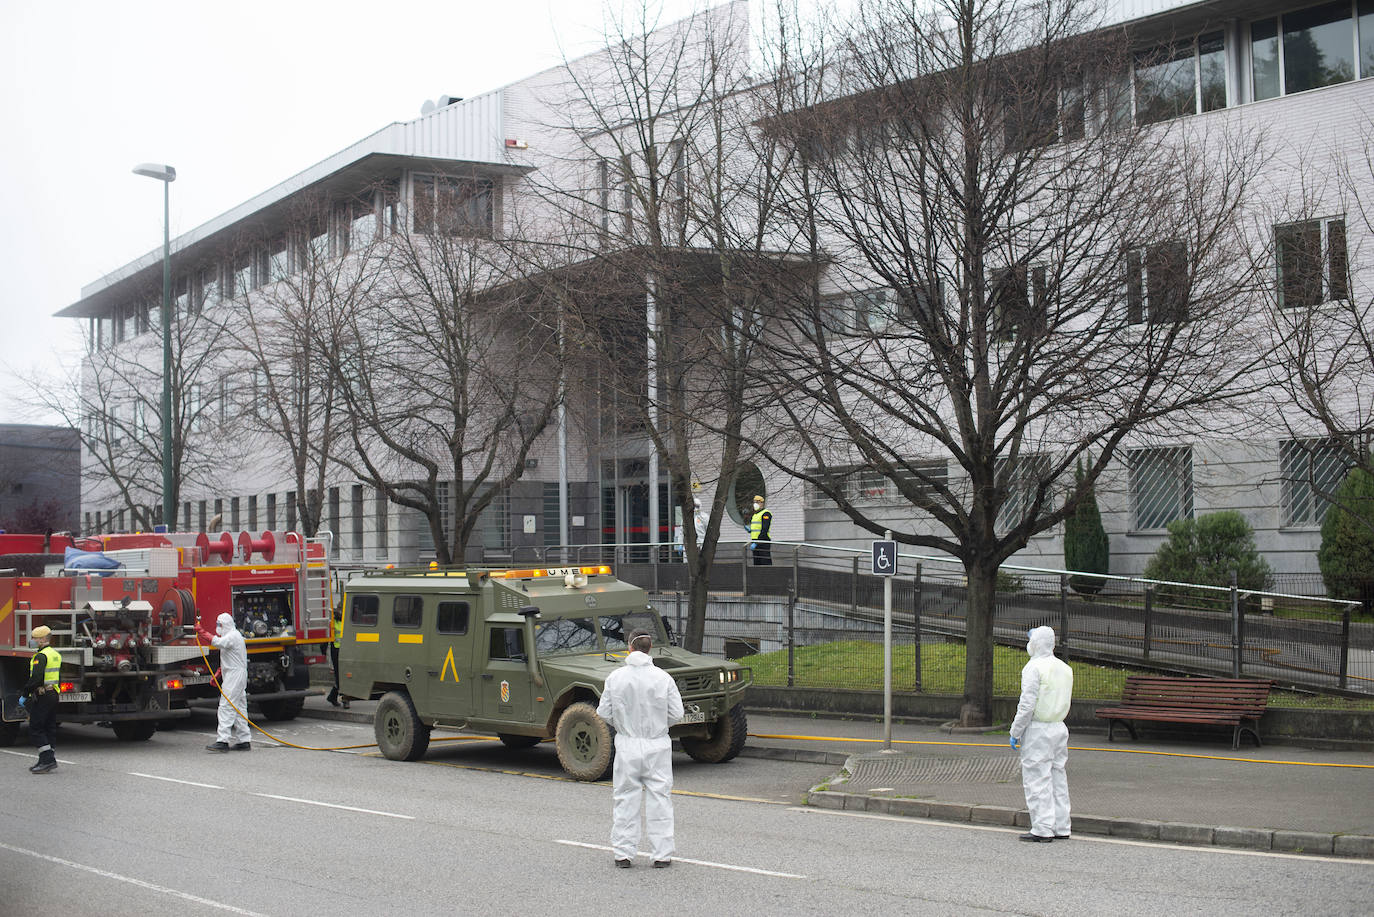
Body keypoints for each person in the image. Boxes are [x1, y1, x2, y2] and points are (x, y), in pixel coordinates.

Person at [596, 629, 684, 868]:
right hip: (657, 743)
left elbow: (603, 712)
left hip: (627, 743)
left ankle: (623, 853)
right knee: (660, 797)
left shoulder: (615, 678)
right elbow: (677, 713)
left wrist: (624, 725)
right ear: (650, 647)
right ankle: (662, 854)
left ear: (630, 647)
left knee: (625, 798)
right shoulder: (663, 678)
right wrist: (658, 727)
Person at [1009, 625, 1073, 842]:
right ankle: (1062, 825)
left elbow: (1026, 705)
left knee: (1037, 778)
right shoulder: (1064, 668)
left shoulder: (1033, 668)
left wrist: (1016, 732)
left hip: (1038, 729)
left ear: (1035, 643)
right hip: (1059, 727)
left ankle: (1042, 828)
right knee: (1057, 777)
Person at [197, 613, 251, 752]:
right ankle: (244, 740)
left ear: (224, 624)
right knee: (239, 708)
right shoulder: (232, 636)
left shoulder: (232, 636)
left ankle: (222, 741)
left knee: (226, 707)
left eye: (218, 624)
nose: (217, 627)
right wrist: (219, 674)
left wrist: (201, 631)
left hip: (234, 675)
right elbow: (230, 658)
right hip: (234, 674)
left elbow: (217, 643)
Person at [22, 625, 62, 774]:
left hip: (43, 694)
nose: (32, 641)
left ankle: (47, 760)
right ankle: (45, 758)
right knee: (49, 727)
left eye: (35, 638)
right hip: (53, 694)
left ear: (43, 639)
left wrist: (25, 693)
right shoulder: (54, 654)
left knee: (36, 727)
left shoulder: (41, 656)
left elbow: (37, 678)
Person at [326, 603, 349, 708]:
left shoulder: (346, 620)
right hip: (336, 651)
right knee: (341, 678)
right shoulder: (333, 622)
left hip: (344, 651)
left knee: (344, 677)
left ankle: (333, 696)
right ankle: (345, 700)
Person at [748, 494, 772, 566]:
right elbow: (756, 528)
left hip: (762, 541)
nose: (755, 504)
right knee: (757, 562)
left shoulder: (765, 513)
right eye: (754, 502)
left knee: (765, 562)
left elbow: (764, 529)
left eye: (757, 502)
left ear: (762, 503)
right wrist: (750, 530)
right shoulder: (755, 515)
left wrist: (757, 542)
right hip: (755, 541)